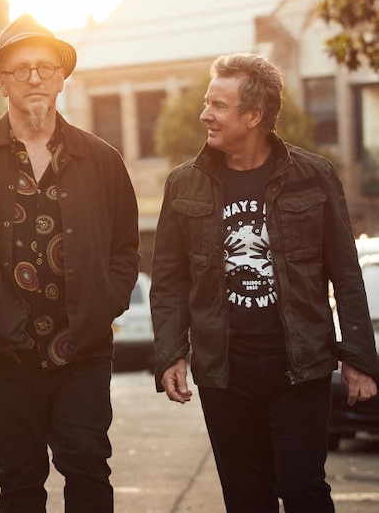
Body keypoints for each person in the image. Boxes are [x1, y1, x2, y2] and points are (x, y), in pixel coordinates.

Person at [0, 14, 140, 512]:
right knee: (19, 478)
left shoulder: (101, 159)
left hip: (81, 347)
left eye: (45, 67)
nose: (35, 78)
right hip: (5, 351)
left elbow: (125, 247)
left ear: (62, 78)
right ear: (1, 81)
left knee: (87, 465)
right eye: (21, 69)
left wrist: (107, 301)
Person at [150, 52, 379, 512]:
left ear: (253, 115)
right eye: (206, 102)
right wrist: (170, 352)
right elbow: (169, 279)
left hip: (300, 367)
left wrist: (359, 356)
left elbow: (346, 271)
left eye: (218, 105)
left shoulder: (313, 176)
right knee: (245, 499)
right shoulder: (184, 185)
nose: (204, 114)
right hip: (225, 374)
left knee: (302, 490)